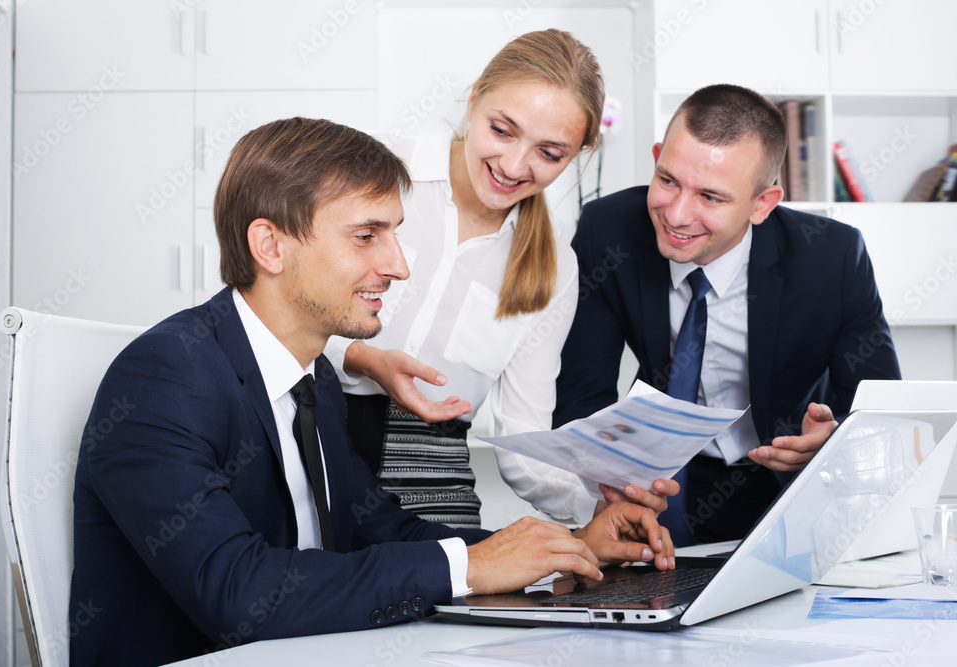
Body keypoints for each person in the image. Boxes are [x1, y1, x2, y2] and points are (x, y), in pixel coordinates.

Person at [69, 117, 673, 667]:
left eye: (396, 234)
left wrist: (566, 548)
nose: (399, 265)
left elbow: (382, 531)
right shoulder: (165, 377)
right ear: (270, 246)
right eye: (367, 236)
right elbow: (238, 593)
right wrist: (469, 566)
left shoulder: (315, 379)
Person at [325, 29, 673, 530]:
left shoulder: (554, 268)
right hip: (311, 443)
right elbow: (268, 314)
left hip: (434, 485)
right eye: (502, 130)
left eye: (549, 154)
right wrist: (360, 358)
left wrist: (599, 508)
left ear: (575, 156)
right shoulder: (369, 170)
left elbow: (522, 436)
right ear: (474, 100)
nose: (513, 166)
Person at [554, 84, 902, 546]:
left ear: (763, 204)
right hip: (660, 481)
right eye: (668, 180)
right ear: (658, 157)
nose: (676, 215)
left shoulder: (832, 259)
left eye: (711, 198)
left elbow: (882, 413)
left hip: (788, 483)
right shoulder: (608, 229)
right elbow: (582, 392)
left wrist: (833, 445)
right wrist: (610, 482)